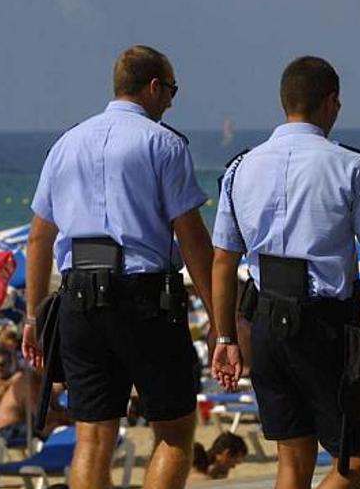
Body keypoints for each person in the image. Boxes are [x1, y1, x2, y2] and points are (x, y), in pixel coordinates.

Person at [211, 56, 360, 489]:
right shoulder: (350, 166)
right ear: (331, 104)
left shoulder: (240, 168)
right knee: (357, 458)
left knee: (293, 460)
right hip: (325, 327)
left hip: (265, 325)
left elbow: (223, 261)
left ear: (284, 102)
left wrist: (226, 336)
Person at [23, 45, 219, 489]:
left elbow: (39, 237)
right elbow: (192, 239)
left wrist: (33, 316)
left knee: (92, 437)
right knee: (174, 431)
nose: (171, 100)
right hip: (144, 298)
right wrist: (219, 318)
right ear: (153, 87)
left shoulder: (65, 144)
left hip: (76, 299)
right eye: (171, 90)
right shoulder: (163, 143)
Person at [0, 370, 69, 443]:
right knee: (50, 425)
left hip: (24, 425)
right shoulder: (28, 383)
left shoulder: (41, 383)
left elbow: (55, 406)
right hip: (9, 430)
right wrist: (64, 417)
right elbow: (42, 416)